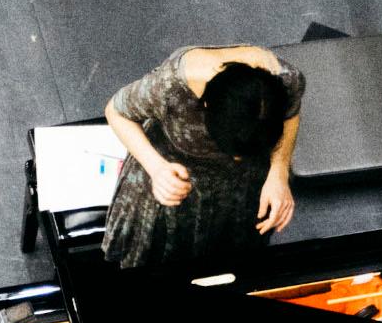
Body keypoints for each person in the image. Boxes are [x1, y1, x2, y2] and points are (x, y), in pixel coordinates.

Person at [100, 44, 306, 271]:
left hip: (241, 192)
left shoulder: (286, 80)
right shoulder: (171, 87)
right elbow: (116, 111)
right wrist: (156, 168)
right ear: (206, 105)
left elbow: (291, 113)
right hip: (175, 179)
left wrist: (278, 172)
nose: (237, 160)